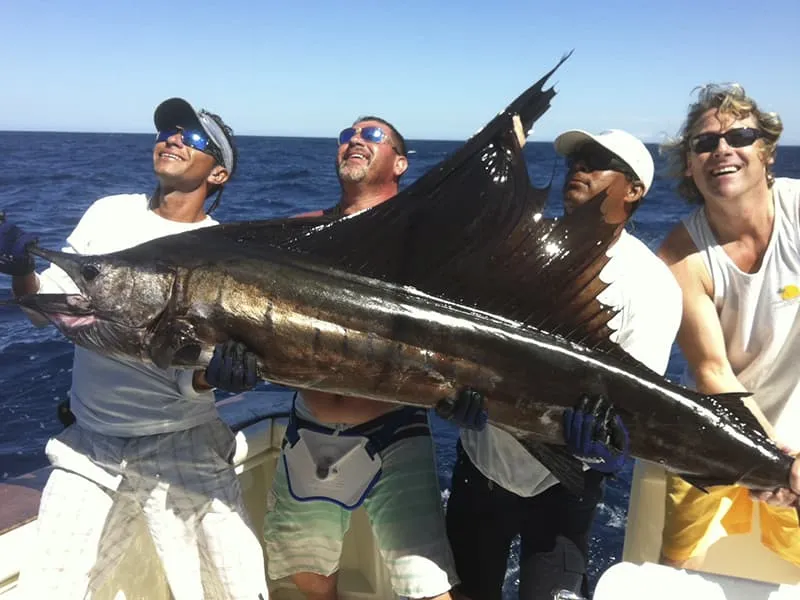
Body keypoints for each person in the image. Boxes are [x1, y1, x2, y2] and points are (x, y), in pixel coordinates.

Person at [0, 98, 269, 599]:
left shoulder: (225, 250)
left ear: (219, 174)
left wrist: (221, 375)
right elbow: (46, 308)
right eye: (168, 131)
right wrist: (20, 271)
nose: (172, 138)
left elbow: (198, 370)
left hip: (185, 440)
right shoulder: (109, 212)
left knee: (237, 588)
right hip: (90, 444)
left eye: (192, 138)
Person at [440, 129, 683, 599]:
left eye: (597, 160)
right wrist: (449, 400)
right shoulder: (516, 250)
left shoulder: (652, 284)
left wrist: (601, 449)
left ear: (635, 190)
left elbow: (632, 405)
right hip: (482, 467)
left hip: (565, 487)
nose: (580, 167)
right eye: (576, 159)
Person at [260, 117, 460, 600]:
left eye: (372, 136)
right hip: (308, 427)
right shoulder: (304, 230)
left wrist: (462, 397)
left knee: (427, 585)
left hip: (395, 429)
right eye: (347, 135)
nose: (354, 140)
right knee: (309, 579)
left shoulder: (425, 241)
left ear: (401, 162)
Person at [657, 83, 800, 569]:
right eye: (703, 143)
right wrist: (774, 463)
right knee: (675, 570)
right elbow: (713, 372)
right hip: (713, 439)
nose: (721, 148)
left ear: (766, 151)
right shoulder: (679, 255)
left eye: (739, 135)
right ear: (690, 166)